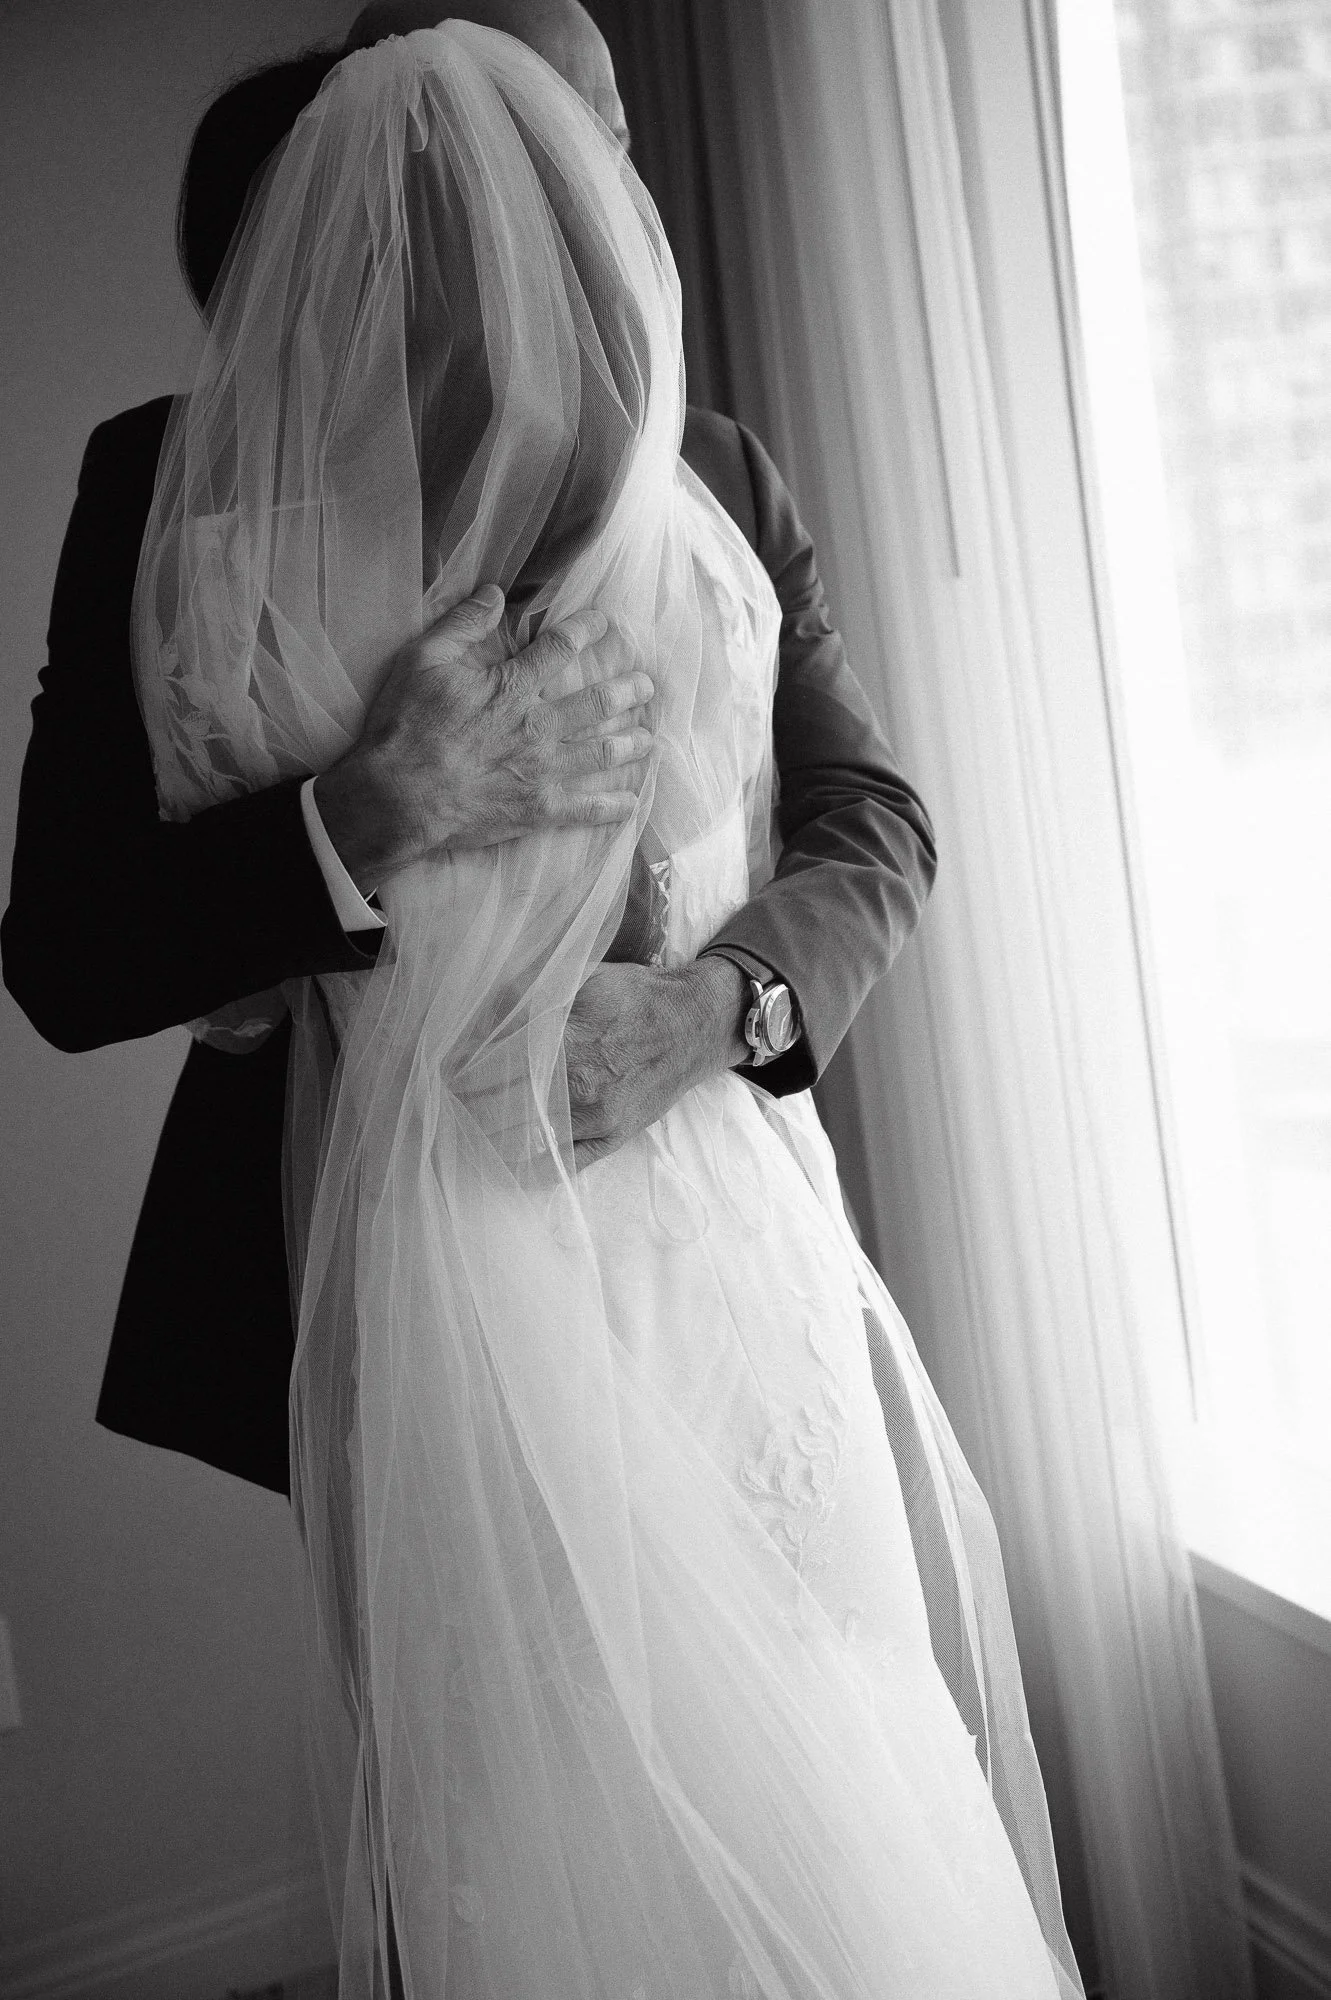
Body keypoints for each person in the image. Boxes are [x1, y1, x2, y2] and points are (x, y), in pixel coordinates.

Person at [4, 9, 1085, 1998]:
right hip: (402, 1259)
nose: (591, 186)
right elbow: (71, 949)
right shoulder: (176, 493)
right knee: (504, 1820)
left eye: (593, 132)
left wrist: (717, 1003)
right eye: (540, 132)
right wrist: (355, 819)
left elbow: (871, 817)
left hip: (725, 1242)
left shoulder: (717, 475)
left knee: (826, 1735)